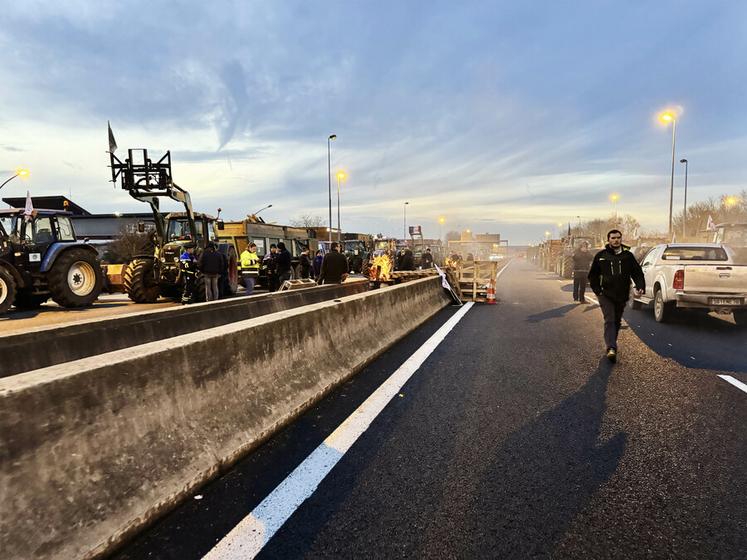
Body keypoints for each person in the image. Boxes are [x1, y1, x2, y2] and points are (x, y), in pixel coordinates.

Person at [588, 229, 645, 362]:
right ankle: (611, 348)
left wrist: (640, 286)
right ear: (608, 240)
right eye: (613, 238)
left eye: (618, 238)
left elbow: (637, 273)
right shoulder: (601, 256)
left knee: (617, 320)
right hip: (605, 294)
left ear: (621, 239)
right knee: (610, 319)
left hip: (622, 294)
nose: (616, 240)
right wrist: (598, 290)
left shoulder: (628, 256)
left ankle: (612, 342)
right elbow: (593, 275)